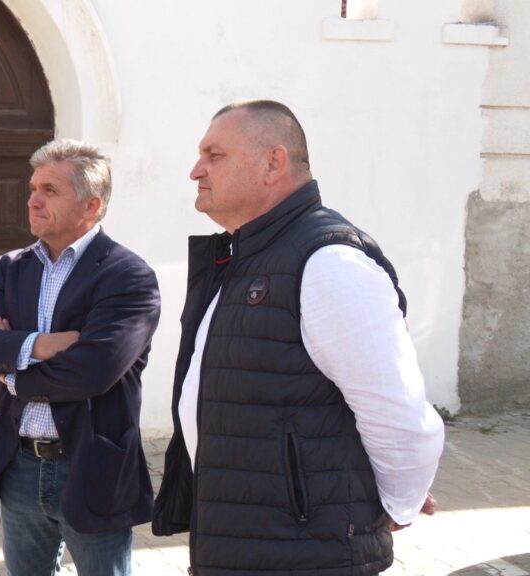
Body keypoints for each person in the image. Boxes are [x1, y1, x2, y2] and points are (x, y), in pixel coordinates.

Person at [152, 99, 445, 575]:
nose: (195, 171)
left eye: (214, 155)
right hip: (244, 547)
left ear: (273, 163)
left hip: (308, 556)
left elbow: (399, 414)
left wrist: (397, 505)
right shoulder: (244, 255)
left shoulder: (328, 262)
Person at [0, 139, 161, 575]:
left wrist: (11, 372)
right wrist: (41, 345)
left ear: (91, 206)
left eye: (50, 190)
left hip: (91, 469)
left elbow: (93, 371)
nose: (33, 200)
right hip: (19, 466)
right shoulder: (11, 267)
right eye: (33, 188)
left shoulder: (127, 276)